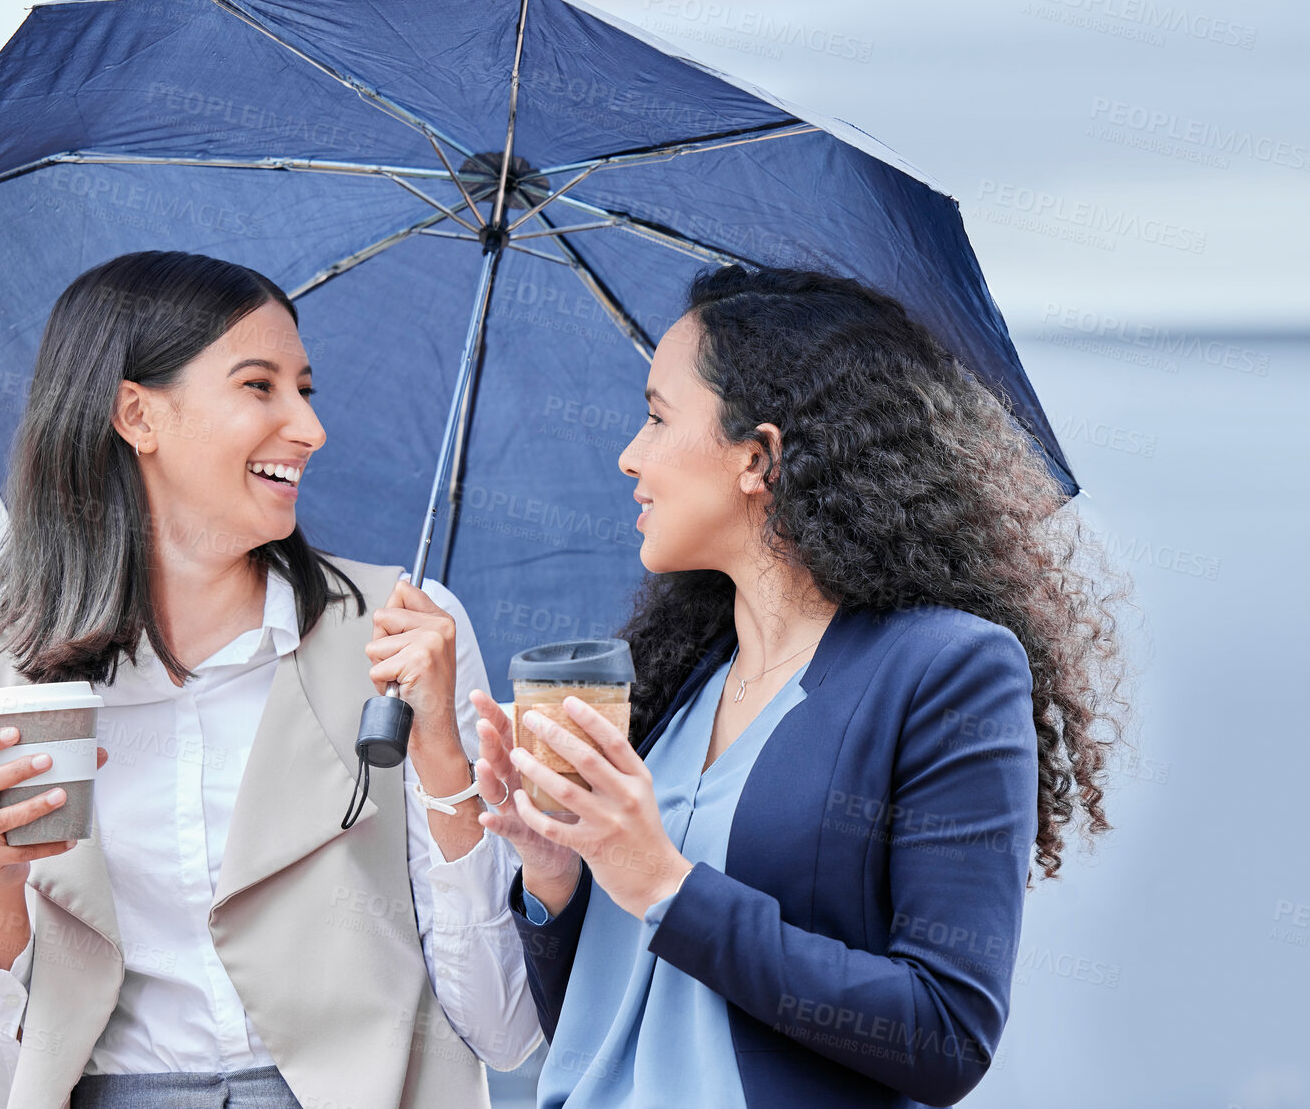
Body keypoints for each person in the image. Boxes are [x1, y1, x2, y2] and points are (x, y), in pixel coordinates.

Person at [463, 265, 1128, 1107]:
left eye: (657, 416)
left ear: (758, 456)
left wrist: (663, 884)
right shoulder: (678, 679)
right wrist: (556, 871)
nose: (630, 454)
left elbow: (945, 1031)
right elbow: (600, 1031)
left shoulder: (947, 669)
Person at [0, 251, 541, 1109]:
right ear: (136, 413)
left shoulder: (402, 634)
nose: (309, 426)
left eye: (305, 389)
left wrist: (442, 762)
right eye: (260, 386)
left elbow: (505, 1031)